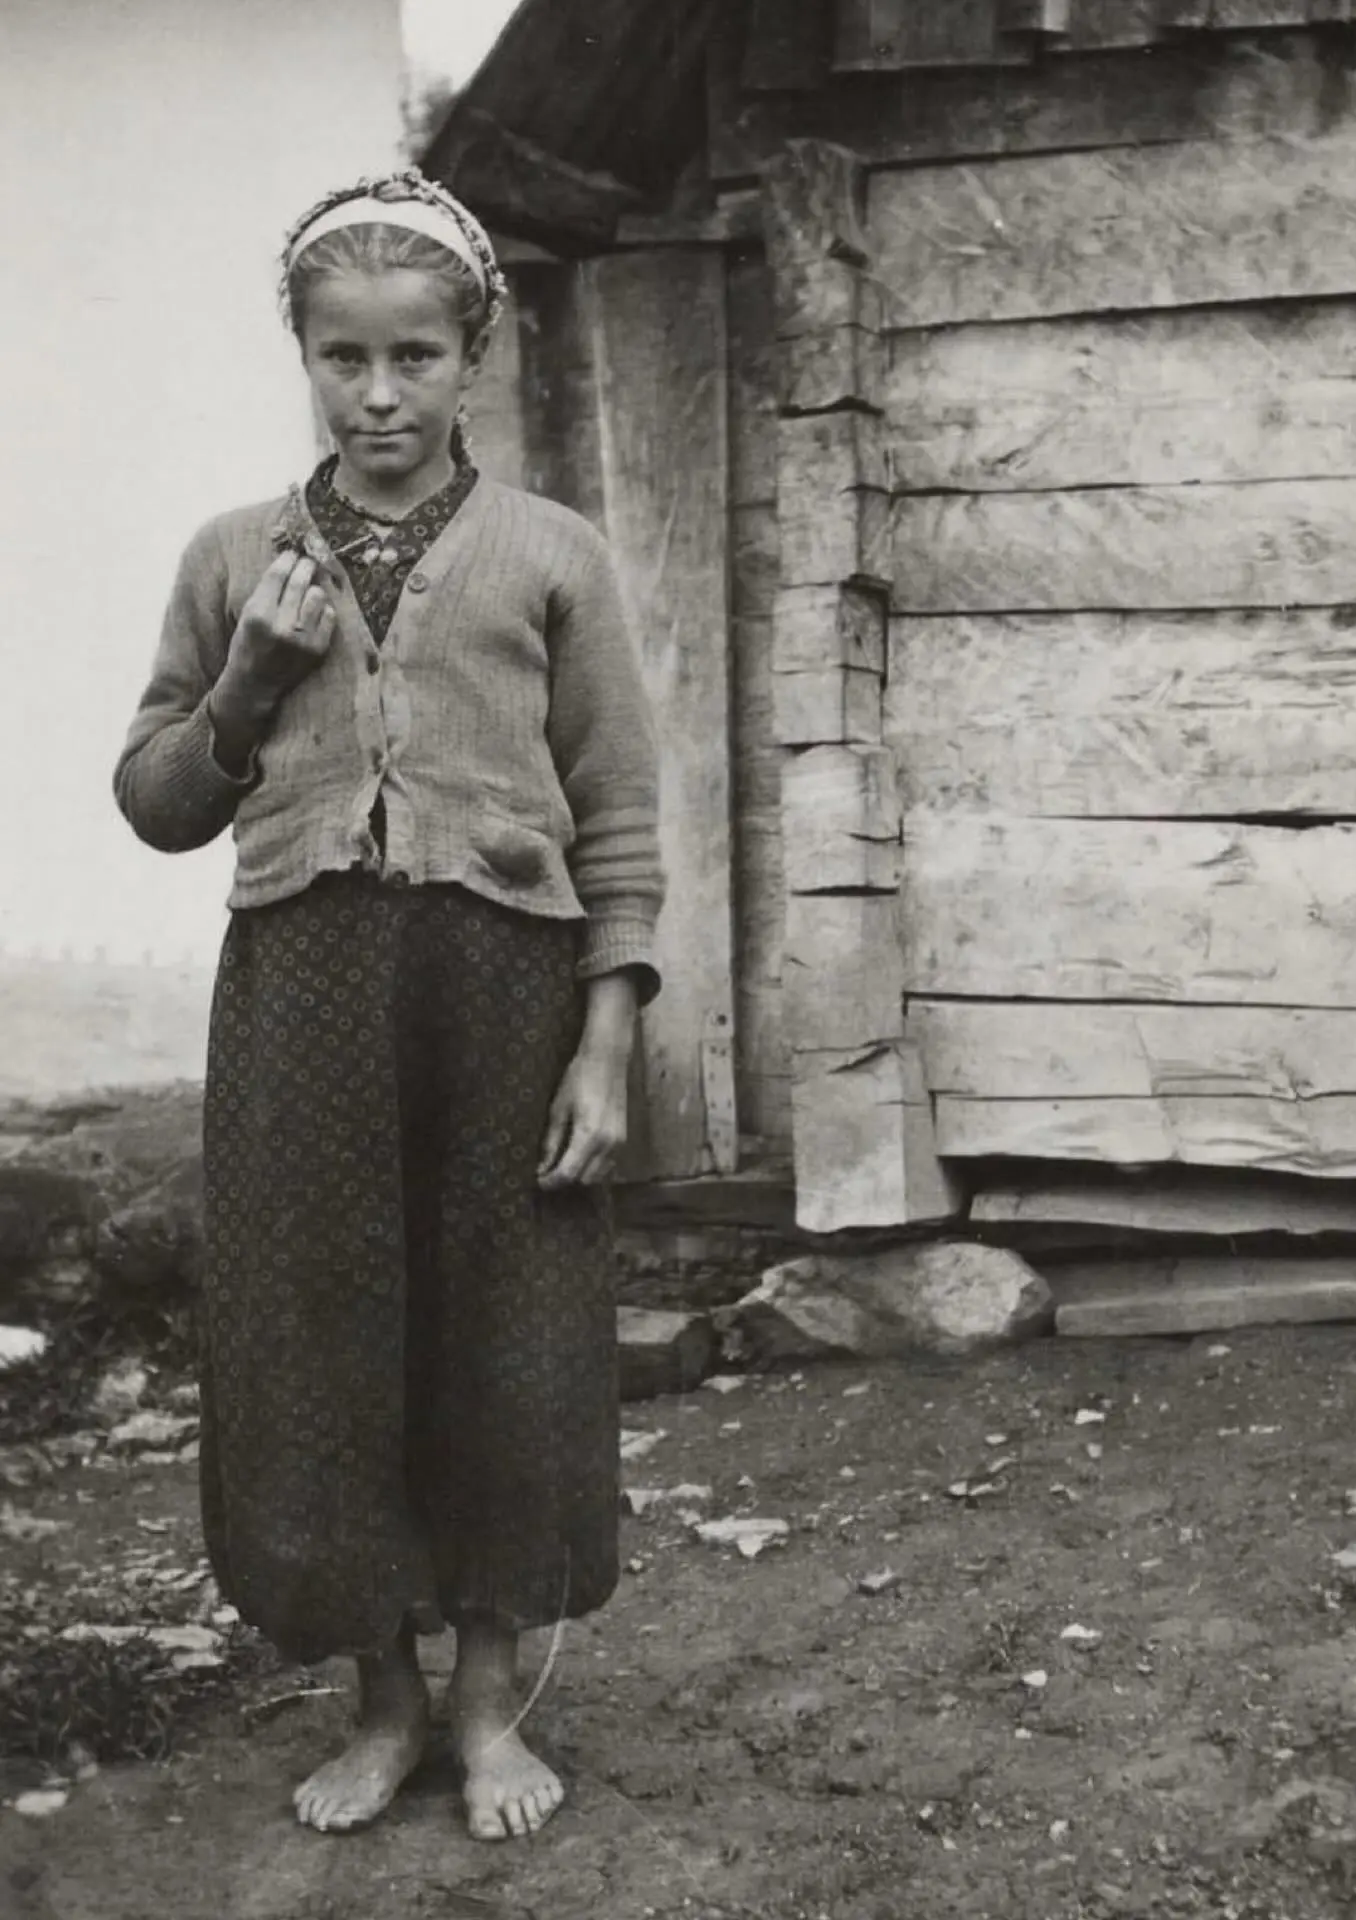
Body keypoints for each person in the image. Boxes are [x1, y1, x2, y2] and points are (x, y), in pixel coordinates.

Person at [113, 168, 664, 1843]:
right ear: (302, 356)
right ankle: (385, 1699)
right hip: (301, 1000)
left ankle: (492, 1707)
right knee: (321, 1348)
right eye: (341, 358)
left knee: (508, 1338)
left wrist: (607, 1040)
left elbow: (618, 815)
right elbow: (155, 801)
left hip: (503, 998)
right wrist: (247, 683)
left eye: (414, 356)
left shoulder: (552, 554)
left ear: (473, 355)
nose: (377, 395)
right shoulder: (231, 559)